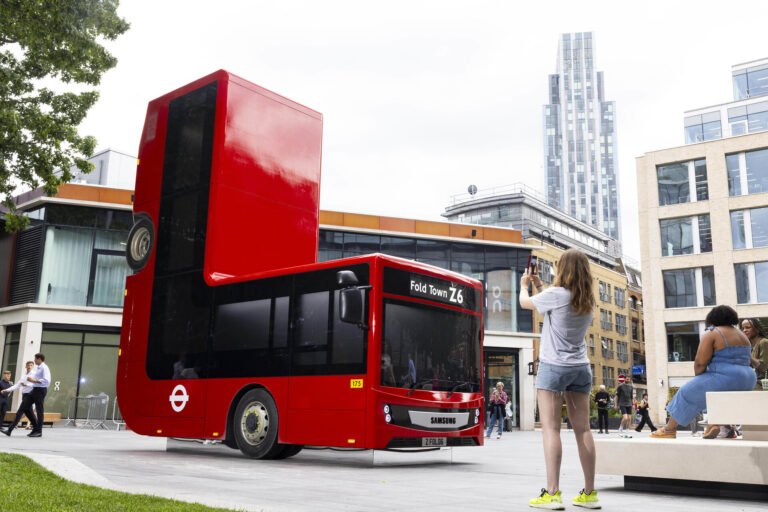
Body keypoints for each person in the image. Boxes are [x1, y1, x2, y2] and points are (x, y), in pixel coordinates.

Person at [520, 248, 600, 509]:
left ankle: (552, 493)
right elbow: (551, 301)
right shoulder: (586, 300)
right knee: (583, 430)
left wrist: (524, 286)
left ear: (563, 269)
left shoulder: (558, 295)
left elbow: (526, 303)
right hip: (580, 368)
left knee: (551, 429)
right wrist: (540, 285)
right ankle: (589, 494)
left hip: (554, 368)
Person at [652, 305, 756, 439]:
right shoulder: (742, 336)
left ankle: (669, 429)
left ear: (712, 318)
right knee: (721, 397)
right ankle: (724, 427)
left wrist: (699, 379)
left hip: (725, 375)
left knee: (686, 393)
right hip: (748, 379)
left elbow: (700, 363)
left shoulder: (713, 333)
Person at [1, 361, 37, 436]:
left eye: (31, 365)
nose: (29, 366)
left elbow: (36, 384)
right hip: (25, 396)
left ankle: (9, 430)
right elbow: (17, 385)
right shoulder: (24, 376)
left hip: (29, 396)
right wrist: (6, 390)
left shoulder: (34, 375)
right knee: (30, 414)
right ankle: (37, 429)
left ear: (33, 366)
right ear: (26, 366)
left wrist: (26, 384)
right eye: (28, 365)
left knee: (19, 413)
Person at [26, 353, 51, 438]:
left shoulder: (44, 368)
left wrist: (33, 380)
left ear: (39, 359)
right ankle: (35, 427)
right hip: (35, 390)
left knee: (39, 410)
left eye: (35, 359)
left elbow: (46, 381)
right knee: (25, 406)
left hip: (40, 390)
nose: (34, 360)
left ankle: (39, 431)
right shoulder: (39, 368)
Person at [742, 318, 768, 389]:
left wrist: (748, 356)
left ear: (757, 329)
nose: (744, 330)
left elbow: (763, 367)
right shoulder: (751, 347)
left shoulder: (764, 342)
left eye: (748, 327)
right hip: (752, 382)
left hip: (762, 385)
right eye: (743, 328)